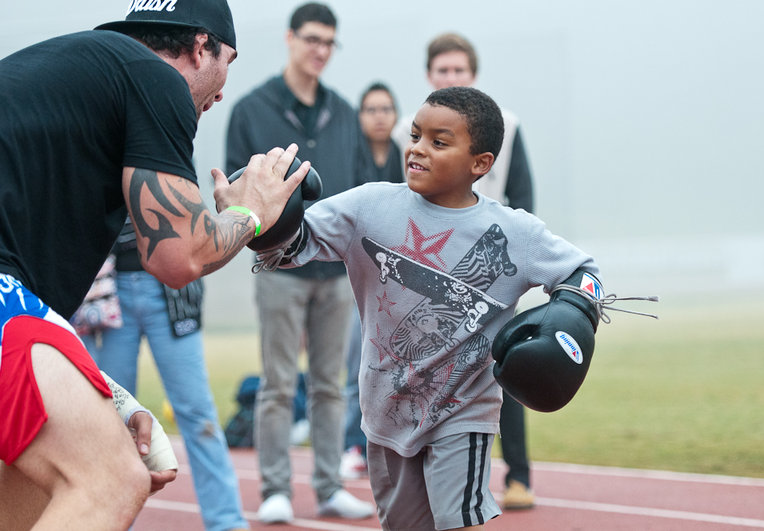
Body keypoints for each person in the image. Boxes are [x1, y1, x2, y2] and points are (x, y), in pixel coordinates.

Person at [0, 1, 307, 529]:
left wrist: (108, 397)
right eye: (228, 60)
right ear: (199, 45)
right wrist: (250, 211)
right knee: (110, 479)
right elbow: (177, 256)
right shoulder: (153, 78)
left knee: (27, 497)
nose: (223, 88)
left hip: (20, 302)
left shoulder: (75, 74)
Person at [258, 86, 603, 530]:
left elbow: (584, 272)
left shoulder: (513, 232)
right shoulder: (369, 206)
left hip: (463, 412)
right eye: (417, 135)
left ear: (480, 164)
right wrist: (260, 216)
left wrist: (571, 318)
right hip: (385, 412)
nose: (418, 149)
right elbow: (292, 244)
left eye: (439, 143)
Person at [225, 2, 374, 524]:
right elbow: (237, 194)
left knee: (332, 384)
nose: (321, 50)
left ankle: (331, 487)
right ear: (290, 38)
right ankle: (275, 491)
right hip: (278, 267)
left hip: (335, 272)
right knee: (278, 383)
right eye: (312, 38)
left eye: (330, 42)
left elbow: (358, 192)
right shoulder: (251, 109)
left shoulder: (345, 112)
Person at [393, 31, 537, 510]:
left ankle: (518, 474)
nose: (451, 77)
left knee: (505, 365)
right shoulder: (404, 130)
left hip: (491, 268)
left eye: (459, 70)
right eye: (443, 71)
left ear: (473, 75)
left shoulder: (507, 126)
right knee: (432, 370)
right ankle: (428, 468)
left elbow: (524, 194)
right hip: (431, 268)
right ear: (430, 76)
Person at [80, 218, 249, 531]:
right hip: (107, 290)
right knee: (110, 422)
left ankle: (227, 523)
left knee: (199, 413)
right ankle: (113, 523)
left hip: (171, 289)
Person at [340, 82, 406, 480]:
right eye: (370, 109)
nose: (379, 115)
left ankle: (395, 443)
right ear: (360, 116)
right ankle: (353, 444)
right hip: (358, 280)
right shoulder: (349, 160)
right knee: (356, 367)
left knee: (400, 367)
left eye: (386, 108)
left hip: (402, 283)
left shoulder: (410, 156)